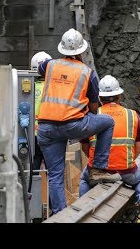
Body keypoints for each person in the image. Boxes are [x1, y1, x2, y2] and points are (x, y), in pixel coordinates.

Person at [36, 28, 120, 214]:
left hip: (45, 128)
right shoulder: (87, 73)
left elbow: (40, 67)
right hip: (73, 125)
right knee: (107, 122)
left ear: (62, 48)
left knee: (56, 175)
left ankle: (60, 215)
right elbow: (92, 108)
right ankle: (97, 168)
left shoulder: (49, 65)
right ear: (81, 50)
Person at [79, 75, 140, 213]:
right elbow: (139, 143)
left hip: (97, 169)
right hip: (126, 169)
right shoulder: (132, 114)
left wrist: (96, 161)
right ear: (119, 96)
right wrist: (128, 160)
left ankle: (83, 206)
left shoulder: (91, 116)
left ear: (99, 98)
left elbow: (84, 146)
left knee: (84, 179)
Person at [30, 51, 51, 170]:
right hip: (50, 131)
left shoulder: (30, 87)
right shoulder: (53, 87)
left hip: (34, 133)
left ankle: (33, 187)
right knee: (51, 166)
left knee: (35, 160)